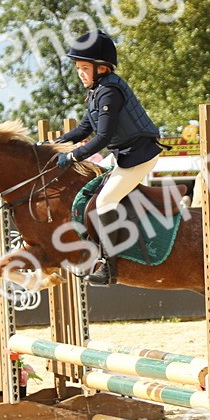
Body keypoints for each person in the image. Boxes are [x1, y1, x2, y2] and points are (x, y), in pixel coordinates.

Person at [53, 29, 163, 286]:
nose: (79, 73)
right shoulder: (97, 91)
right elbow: (83, 130)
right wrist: (52, 145)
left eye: (83, 68)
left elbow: (102, 138)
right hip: (126, 155)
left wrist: (72, 158)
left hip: (139, 156)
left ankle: (111, 267)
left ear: (101, 68)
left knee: (104, 202)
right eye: (78, 68)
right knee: (92, 198)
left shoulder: (109, 92)